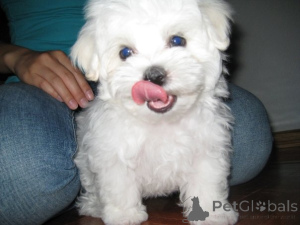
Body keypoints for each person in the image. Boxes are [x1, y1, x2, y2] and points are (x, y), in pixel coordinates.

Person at [0, 0, 273, 224]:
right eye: (126, 51)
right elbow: (110, 163)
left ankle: (202, 205)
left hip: (189, 95)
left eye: (176, 40)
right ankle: (98, 196)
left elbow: (208, 160)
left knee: (247, 141)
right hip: (41, 82)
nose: (153, 72)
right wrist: (15, 56)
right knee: (24, 172)